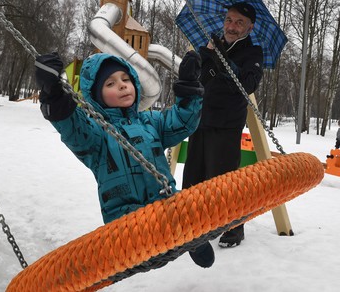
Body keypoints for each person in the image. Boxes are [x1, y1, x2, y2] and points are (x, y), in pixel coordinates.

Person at [35, 50, 215, 268]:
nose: (121, 85)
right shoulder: (97, 133)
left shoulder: (151, 121)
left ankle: (194, 239)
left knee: (188, 207)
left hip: (166, 206)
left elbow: (181, 121)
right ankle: (143, 253)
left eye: (126, 79)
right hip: (127, 222)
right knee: (140, 236)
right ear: (95, 95)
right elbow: (74, 127)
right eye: (110, 84)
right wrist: (54, 94)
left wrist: (189, 88)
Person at [182, 1, 264, 249]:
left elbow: (248, 85)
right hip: (201, 119)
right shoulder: (211, 45)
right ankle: (191, 224)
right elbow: (201, 80)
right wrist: (205, 57)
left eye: (239, 22)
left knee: (224, 180)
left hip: (227, 124)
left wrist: (226, 64)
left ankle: (233, 228)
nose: (232, 26)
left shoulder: (253, 53)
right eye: (229, 20)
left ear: (249, 27)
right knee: (194, 176)